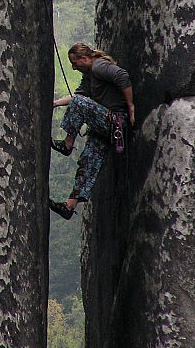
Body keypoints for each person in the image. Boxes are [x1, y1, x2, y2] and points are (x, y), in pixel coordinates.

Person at [48, 42, 135, 220]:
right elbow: (76, 96)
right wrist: (55, 103)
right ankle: (69, 206)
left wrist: (130, 107)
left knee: (79, 103)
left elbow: (122, 76)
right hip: (106, 128)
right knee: (88, 162)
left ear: (85, 58)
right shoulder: (89, 75)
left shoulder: (99, 66)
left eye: (75, 63)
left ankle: (67, 144)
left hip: (115, 121)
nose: (73, 68)